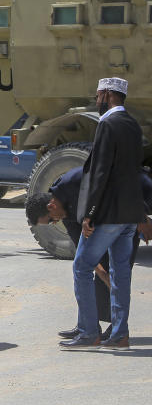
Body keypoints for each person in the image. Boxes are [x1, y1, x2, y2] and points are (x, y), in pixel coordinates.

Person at [59, 77, 144, 350]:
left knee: (82, 267)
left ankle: (88, 331)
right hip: (130, 214)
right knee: (121, 274)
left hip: (107, 215)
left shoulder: (107, 124)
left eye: (98, 95)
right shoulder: (132, 124)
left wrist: (88, 214)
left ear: (107, 94)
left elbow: (100, 172)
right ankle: (120, 334)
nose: (96, 100)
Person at [26, 166, 152, 341]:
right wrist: (100, 272)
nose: (55, 223)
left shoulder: (72, 182)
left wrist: (141, 215)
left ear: (51, 206)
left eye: (51, 220)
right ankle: (89, 324)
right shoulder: (65, 213)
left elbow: (114, 183)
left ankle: (115, 329)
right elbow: (82, 250)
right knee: (95, 271)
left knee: (119, 270)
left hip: (137, 193)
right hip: (114, 216)